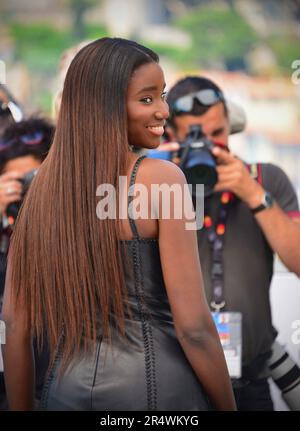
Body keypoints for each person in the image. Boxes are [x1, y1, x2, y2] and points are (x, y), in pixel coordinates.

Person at [1, 38, 236, 411]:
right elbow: (193, 327)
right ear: (105, 106)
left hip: (63, 394)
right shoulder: (164, 180)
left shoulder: (40, 187)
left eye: (162, 95)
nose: (163, 110)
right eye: (147, 99)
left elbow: (15, 326)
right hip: (160, 395)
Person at [163, 76, 300, 411]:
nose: (212, 146)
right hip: (178, 381)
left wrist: (253, 194)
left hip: (252, 378)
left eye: (218, 134)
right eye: (196, 137)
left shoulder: (266, 178)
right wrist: (178, 186)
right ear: (172, 138)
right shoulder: (161, 189)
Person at [0, 117, 54, 410]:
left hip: (56, 386)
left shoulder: (71, 232)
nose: (25, 193)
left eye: (32, 179)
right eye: (16, 182)